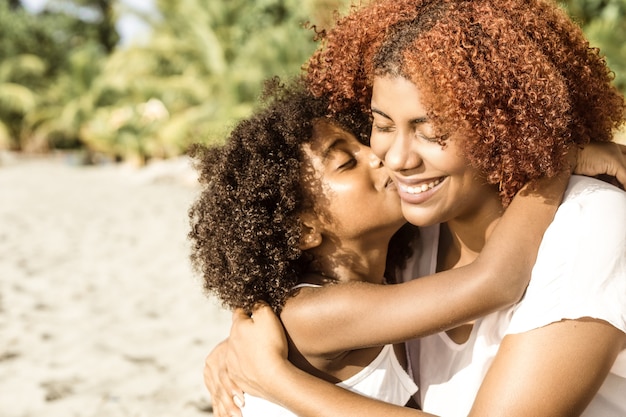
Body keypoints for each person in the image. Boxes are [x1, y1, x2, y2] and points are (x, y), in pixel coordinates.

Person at [210, 1, 626, 416]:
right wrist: (239, 355)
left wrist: (274, 378)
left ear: (506, 124)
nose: (392, 159)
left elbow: (497, 278)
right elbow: (493, 281)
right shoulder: (408, 242)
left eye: (431, 131)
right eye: (383, 126)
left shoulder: (588, 224)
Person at [189, 77, 579, 416]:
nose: (377, 155)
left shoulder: (374, 282)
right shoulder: (318, 312)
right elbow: (496, 282)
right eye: (345, 162)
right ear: (304, 230)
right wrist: (554, 160)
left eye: (362, 140)